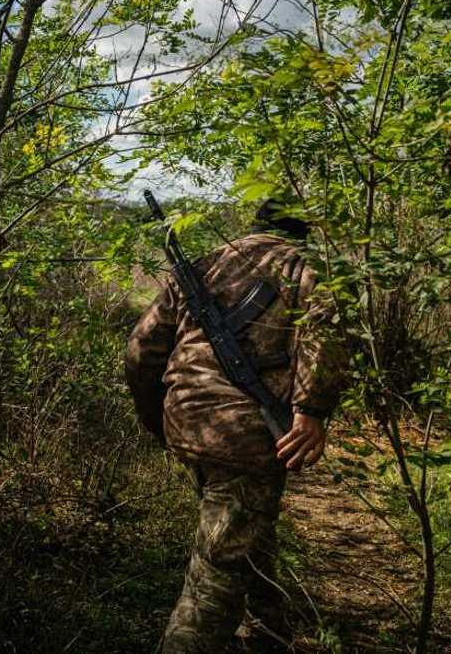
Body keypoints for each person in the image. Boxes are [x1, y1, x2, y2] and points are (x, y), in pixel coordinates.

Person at [125, 198, 344, 653]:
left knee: (243, 532)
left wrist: (159, 419)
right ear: (302, 230)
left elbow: (142, 349)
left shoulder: (206, 263)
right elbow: (327, 330)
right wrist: (312, 410)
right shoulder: (303, 268)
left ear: (255, 224)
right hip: (244, 438)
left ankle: (268, 634)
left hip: (189, 426)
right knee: (214, 582)